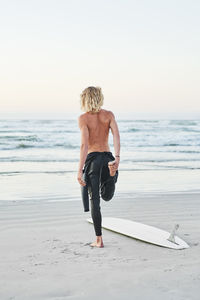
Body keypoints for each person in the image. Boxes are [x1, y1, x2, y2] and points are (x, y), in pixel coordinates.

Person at [77, 86, 120, 248]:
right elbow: (116, 135)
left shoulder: (83, 118)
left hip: (93, 160)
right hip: (108, 157)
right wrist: (117, 157)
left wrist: (80, 169)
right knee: (107, 196)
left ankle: (99, 240)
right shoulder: (108, 115)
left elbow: (84, 145)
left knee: (95, 200)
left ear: (84, 99)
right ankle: (111, 174)